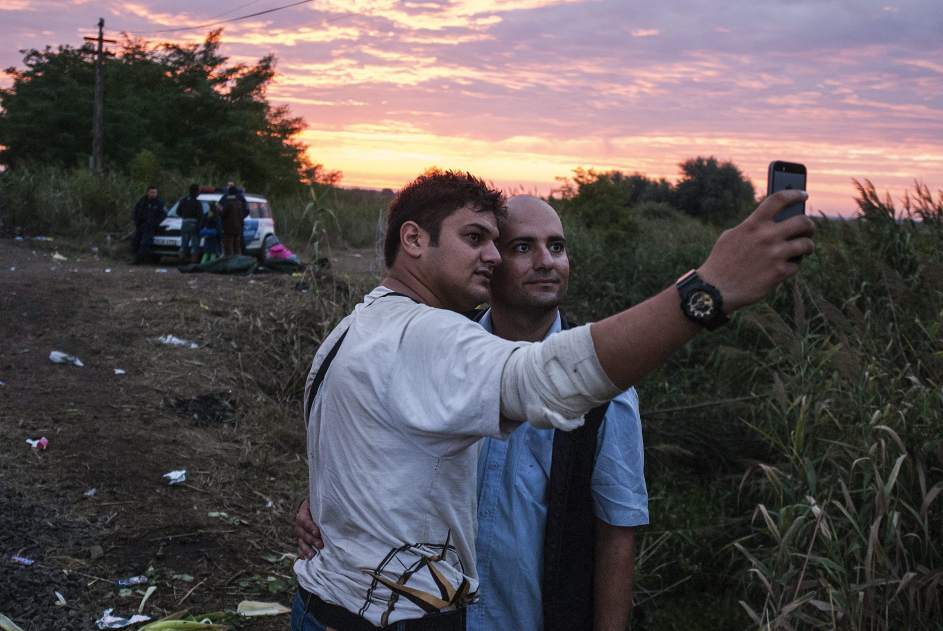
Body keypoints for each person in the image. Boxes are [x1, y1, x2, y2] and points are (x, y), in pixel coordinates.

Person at [292, 169, 814, 630]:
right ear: (412, 239)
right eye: (479, 239)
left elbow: (617, 529)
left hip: (333, 606)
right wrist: (707, 290)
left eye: (554, 246)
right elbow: (548, 379)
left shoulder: (360, 323)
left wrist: (337, 507)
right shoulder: (433, 340)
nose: (493, 255)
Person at [294, 195, 648, 631]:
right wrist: (327, 499)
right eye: (522, 247)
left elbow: (617, 529)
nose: (546, 261)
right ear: (491, 262)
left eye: (556, 246)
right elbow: (375, 443)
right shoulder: (434, 352)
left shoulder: (603, 391)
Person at [131, 185, 165, 264]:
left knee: (145, 243)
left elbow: (162, 216)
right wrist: (136, 221)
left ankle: (139, 260)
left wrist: (155, 223)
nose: (153, 194)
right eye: (152, 192)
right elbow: (136, 211)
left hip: (150, 226)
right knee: (135, 242)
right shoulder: (142, 201)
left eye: (155, 192)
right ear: (148, 192)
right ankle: (135, 258)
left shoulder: (159, 203)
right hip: (141, 225)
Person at [177, 183, 203, 263]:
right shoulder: (197, 202)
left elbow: (178, 211)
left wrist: (184, 217)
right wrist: (199, 225)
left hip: (185, 222)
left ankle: (181, 260)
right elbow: (200, 215)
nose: (199, 193)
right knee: (195, 244)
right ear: (196, 191)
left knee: (184, 243)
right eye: (199, 191)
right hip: (194, 223)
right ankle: (193, 261)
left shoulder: (183, 200)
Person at [219, 185, 244, 256]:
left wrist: (219, 209)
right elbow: (242, 216)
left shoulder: (229, 203)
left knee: (229, 247)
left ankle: (231, 263)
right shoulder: (239, 203)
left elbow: (223, 214)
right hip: (238, 228)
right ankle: (238, 261)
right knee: (237, 247)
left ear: (229, 193)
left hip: (229, 228)